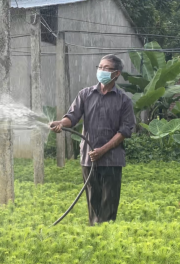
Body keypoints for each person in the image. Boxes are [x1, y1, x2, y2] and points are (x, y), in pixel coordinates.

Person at [49, 54, 136, 226]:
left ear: (116, 73)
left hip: (112, 159)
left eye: (106, 68)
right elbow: (72, 117)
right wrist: (61, 122)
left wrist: (103, 150)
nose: (101, 71)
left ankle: (106, 232)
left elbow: (125, 130)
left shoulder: (124, 100)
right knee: (93, 198)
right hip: (88, 157)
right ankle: (94, 231)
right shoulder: (85, 94)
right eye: (100, 67)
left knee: (109, 200)